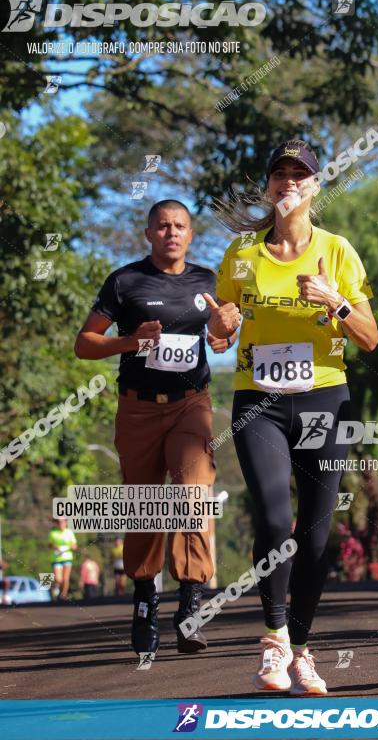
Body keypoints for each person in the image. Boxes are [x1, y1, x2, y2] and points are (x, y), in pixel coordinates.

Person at [209, 139, 378, 696]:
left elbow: (370, 339)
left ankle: (303, 651)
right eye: (279, 175)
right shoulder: (241, 254)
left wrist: (337, 302)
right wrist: (222, 325)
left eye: (299, 176)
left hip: (324, 398)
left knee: (317, 532)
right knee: (275, 518)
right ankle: (273, 640)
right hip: (257, 398)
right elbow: (219, 331)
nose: (288, 184)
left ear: (315, 187)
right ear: (269, 187)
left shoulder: (338, 251)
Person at [74, 199, 230, 656]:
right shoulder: (125, 281)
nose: (171, 233)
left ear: (191, 234)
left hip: (191, 405)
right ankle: (145, 601)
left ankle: (190, 604)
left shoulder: (206, 281)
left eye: (180, 226)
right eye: (162, 226)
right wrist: (130, 340)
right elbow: (85, 344)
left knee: (192, 495)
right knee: (145, 505)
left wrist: (225, 330)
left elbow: (220, 338)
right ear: (148, 234)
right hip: (138, 409)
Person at [47, 518, 77, 600]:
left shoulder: (69, 532)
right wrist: (55, 547)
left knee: (65, 578)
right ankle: (56, 587)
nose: (61, 524)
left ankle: (63, 595)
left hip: (67, 557)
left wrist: (71, 546)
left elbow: (74, 545)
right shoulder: (53, 533)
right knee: (58, 579)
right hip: (56, 558)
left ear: (66, 523)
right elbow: (49, 545)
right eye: (59, 522)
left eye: (63, 522)